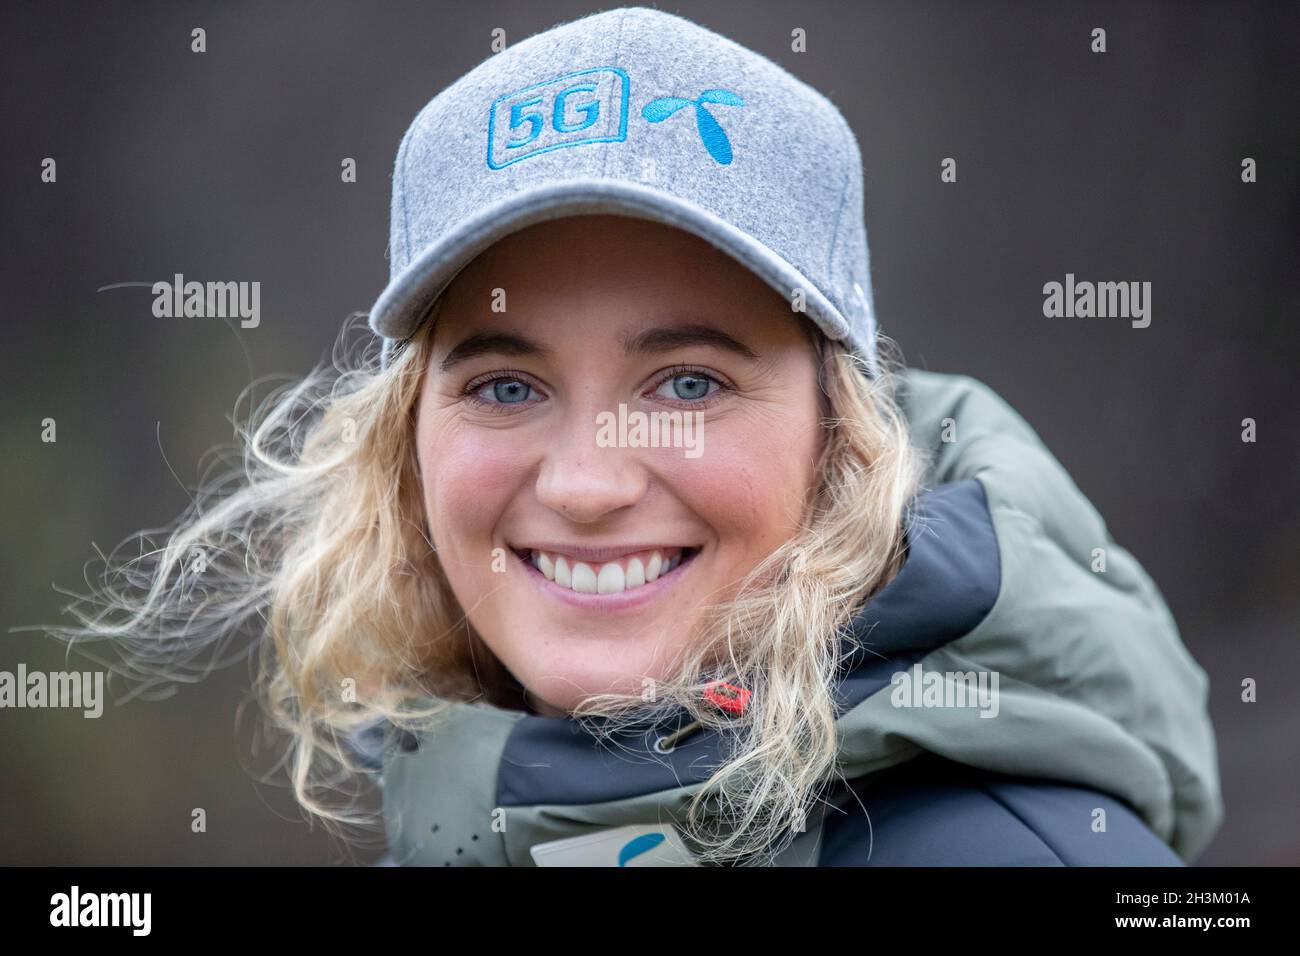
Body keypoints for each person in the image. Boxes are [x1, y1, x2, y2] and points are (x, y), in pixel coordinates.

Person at [54, 7, 1222, 866]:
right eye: (506, 387)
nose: (587, 482)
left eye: (686, 381)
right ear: (400, 446)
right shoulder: (472, 809)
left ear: (843, 441)